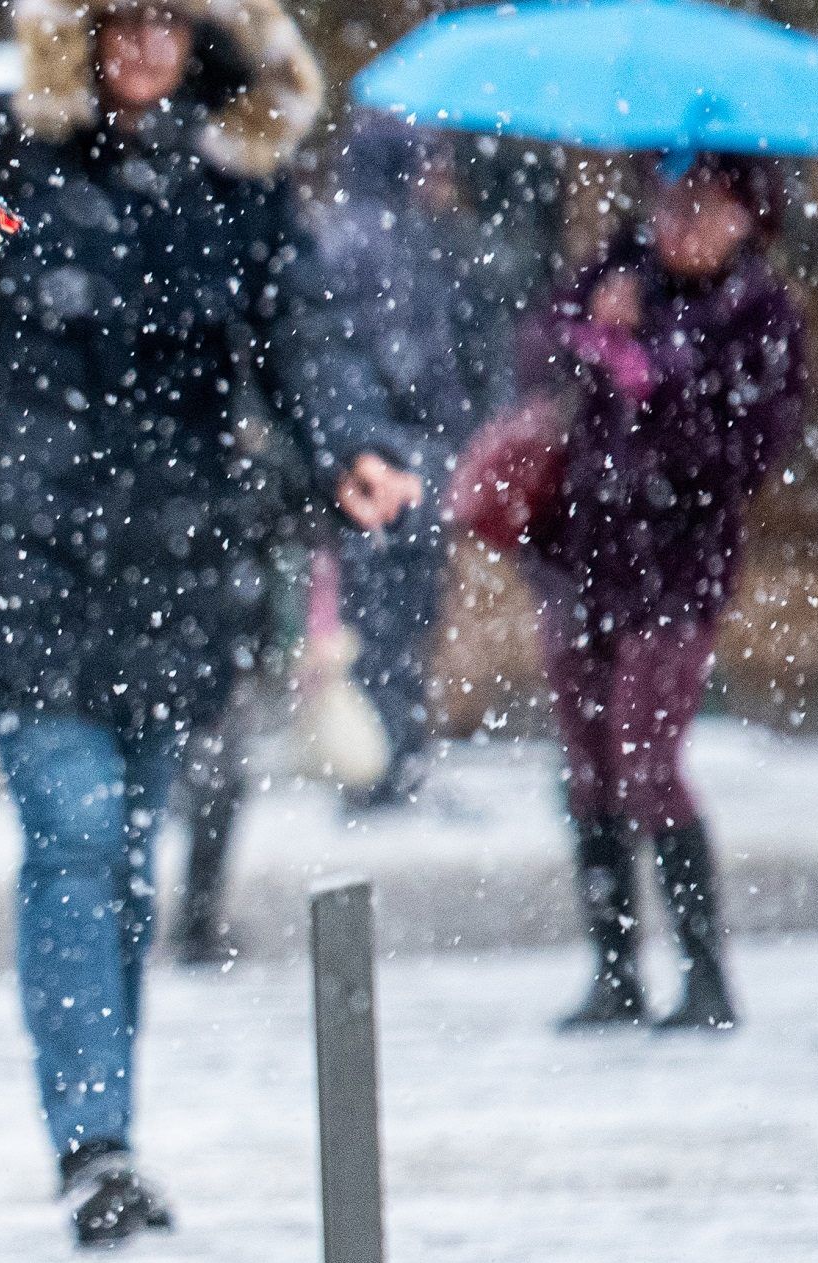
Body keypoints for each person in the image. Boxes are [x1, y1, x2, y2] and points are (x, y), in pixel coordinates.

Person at [0, 0, 328, 1247]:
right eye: (123, 21)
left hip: (174, 575)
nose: (146, 50)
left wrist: (346, 452)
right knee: (80, 837)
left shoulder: (230, 186)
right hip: (28, 572)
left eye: (172, 27)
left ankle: (106, 1124)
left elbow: (298, 344)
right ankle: (94, 1139)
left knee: (126, 855)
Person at [520, 156, 805, 1033]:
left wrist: (653, 374)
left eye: (705, 207)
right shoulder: (615, 274)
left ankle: (706, 975)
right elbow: (534, 355)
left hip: (677, 572)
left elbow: (740, 456)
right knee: (588, 771)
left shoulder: (759, 317)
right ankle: (615, 971)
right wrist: (588, 337)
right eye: (670, 203)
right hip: (582, 560)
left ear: (747, 221)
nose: (680, 223)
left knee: (648, 763)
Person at [278, 115, 495, 813]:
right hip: (400, 459)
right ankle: (387, 762)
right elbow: (422, 359)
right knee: (399, 618)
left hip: (369, 459)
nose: (441, 179)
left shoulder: (342, 234)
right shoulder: (400, 244)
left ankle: (379, 757)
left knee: (373, 615)